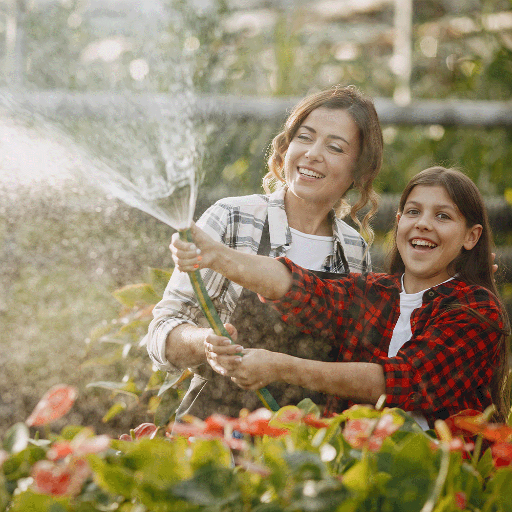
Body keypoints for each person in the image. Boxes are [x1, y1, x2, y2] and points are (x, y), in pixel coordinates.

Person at [171, 166, 511, 428]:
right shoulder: (375, 293)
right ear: (398, 222)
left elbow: (397, 381)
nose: (423, 224)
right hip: (355, 472)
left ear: (471, 236)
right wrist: (216, 255)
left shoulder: (477, 310)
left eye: (442, 216)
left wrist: (280, 367)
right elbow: (299, 288)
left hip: (440, 479)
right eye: (413, 212)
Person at [145, 85, 384, 419]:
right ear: (286, 147)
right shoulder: (232, 218)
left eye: (335, 147)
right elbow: (162, 332)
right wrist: (205, 342)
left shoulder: (353, 250)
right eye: (305, 137)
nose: (313, 153)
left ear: (358, 169)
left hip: (308, 440)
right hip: (218, 432)